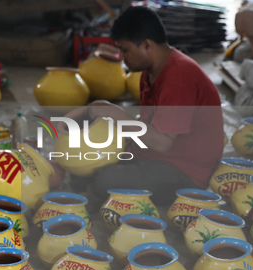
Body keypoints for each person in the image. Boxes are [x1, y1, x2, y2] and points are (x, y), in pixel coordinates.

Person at [67, 6, 224, 205]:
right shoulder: (149, 73)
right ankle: (96, 186)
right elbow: (149, 123)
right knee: (81, 164)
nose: (122, 58)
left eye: (125, 50)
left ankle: (97, 191)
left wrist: (116, 114)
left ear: (147, 45)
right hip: (157, 157)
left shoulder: (179, 76)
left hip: (185, 173)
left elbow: (162, 143)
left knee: (105, 179)